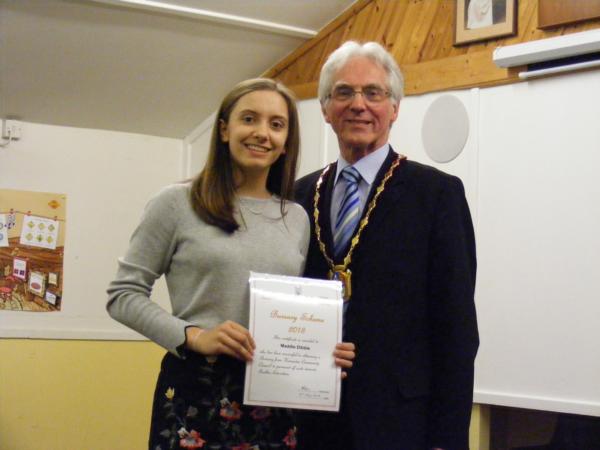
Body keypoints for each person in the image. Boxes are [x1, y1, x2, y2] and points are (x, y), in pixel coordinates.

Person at [107, 78, 355, 450]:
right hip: (196, 393)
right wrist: (194, 335)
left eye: (276, 124)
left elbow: (299, 311)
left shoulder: (298, 218)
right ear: (225, 129)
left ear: (287, 140)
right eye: (249, 119)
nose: (262, 133)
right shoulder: (176, 203)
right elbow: (122, 296)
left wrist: (323, 351)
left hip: (276, 399)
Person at [294, 41, 479, 450]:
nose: (358, 104)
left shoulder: (436, 195)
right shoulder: (298, 197)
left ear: (394, 108)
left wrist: (447, 439)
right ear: (325, 108)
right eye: (344, 92)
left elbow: (457, 329)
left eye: (373, 93)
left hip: (402, 423)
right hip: (311, 419)